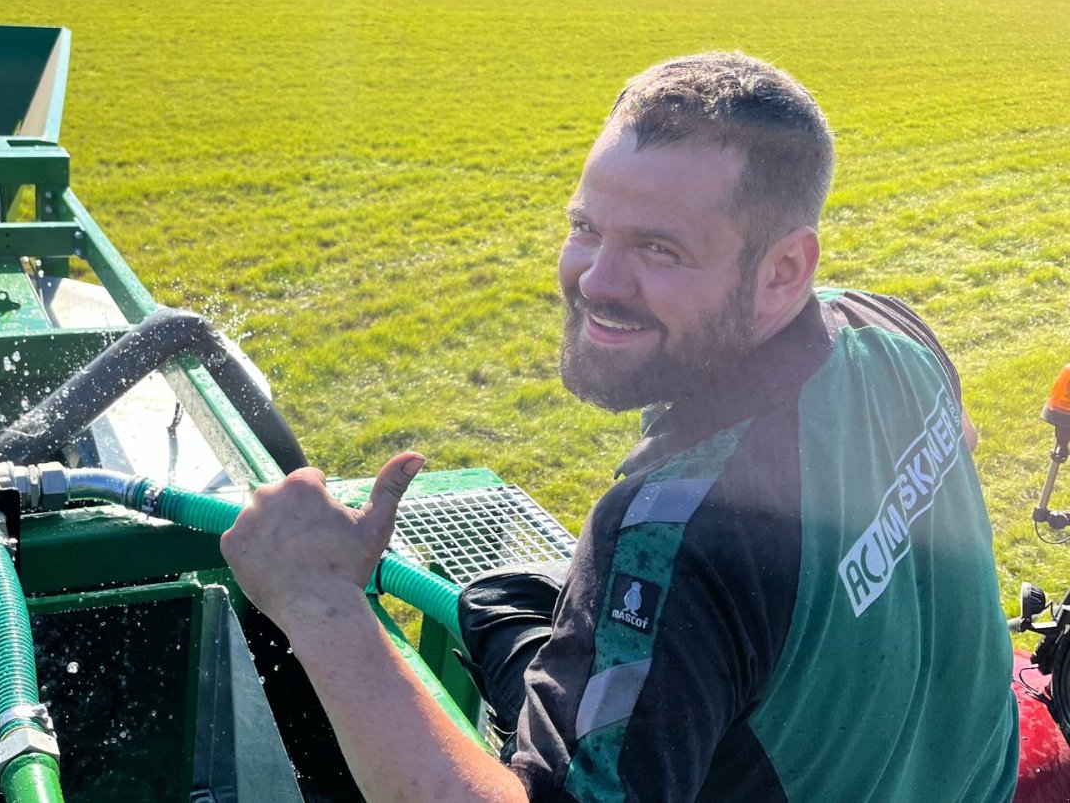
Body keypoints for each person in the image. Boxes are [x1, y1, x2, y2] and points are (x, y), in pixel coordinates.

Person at [218, 52, 1019, 802]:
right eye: (587, 228)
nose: (597, 281)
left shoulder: (681, 531)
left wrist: (321, 604)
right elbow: (961, 446)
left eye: (660, 249)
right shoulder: (890, 333)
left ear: (782, 272)